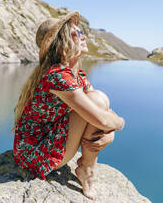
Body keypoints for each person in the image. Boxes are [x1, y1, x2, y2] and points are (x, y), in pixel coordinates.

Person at [12, 11, 125, 200]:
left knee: (99, 98)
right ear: (62, 41)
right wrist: (119, 123)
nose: (84, 37)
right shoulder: (57, 76)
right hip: (36, 154)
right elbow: (101, 118)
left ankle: (86, 167)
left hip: (47, 141)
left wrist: (109, 132)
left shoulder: (76, 75)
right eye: (77, 34)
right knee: (96, 101)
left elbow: (102, 113)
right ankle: (87, 170)